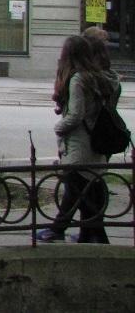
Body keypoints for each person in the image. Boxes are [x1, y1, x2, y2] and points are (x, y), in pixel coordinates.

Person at [38, 35, 120, 244]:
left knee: (78, 189)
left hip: (78, 145)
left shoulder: (78, 79)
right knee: (89, 191)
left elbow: (75, 115)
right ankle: (88, 235)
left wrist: (59, 128)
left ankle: (67, 231)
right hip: (96, 142)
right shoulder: (100, 77)